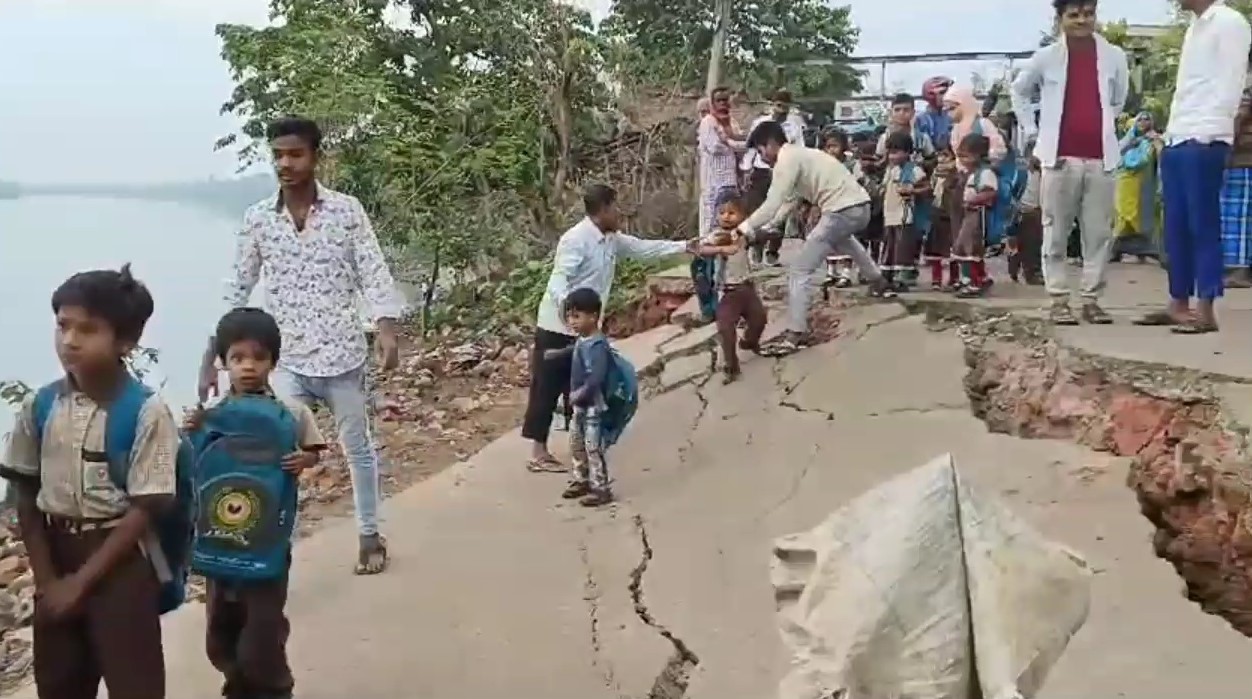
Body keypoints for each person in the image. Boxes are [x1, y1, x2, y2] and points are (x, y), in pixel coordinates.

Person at [205, 116, 404, 575]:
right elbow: (237, 286)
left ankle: (369, 535)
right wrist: (212, 356)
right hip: (289, 359)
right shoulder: (259, 219)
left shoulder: (346, 211)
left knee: (358, 447)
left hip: (344, 356)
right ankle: (270, 545)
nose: (285, 163)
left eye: (295, 154)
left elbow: (373, 270)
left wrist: (387, 328)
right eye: (277, 155)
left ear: (316, 157)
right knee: (279, 451)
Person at [1, 264, 178, 699]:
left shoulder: (145, 411)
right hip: (55, 553)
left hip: (120, 560)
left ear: (126, 342)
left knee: (135, 683)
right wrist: (47, 583)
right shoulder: (41, 406)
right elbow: (25, 494)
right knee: (60, 682)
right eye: (62, 325)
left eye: (88, 329)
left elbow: (145, 508)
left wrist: (79, 584)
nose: (69, 340)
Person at [185, 307, 325, 699]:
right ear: (224, 363)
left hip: (267, 541)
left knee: (262, 630)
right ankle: (239, 684)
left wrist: (305, 460)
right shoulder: (212, 414)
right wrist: (191, 430)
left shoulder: (291, 413)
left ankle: (276, 688)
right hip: (219, 540)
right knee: (219, 633)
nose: (248, 367)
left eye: (258, 358)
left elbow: (314, 449)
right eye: (238, 358)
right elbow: (190, 461)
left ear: (273, 362)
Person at [522, 184, 694, 472]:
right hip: (558, 324)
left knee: (582, 387)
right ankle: (538, 453)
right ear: (602, 210)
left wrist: (687, 246)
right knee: (546, 386)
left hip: (586, 327)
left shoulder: (611, 239)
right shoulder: (575, 240)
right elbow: (558, 281)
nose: (621, 213)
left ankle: (583, 444)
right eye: (616, 207)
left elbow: (644, 249)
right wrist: (571, 313)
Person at [1135, 0, 1251, 333]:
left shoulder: (1230, 22)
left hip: (1205, 135)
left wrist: (1209, 132)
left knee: (1203, 224)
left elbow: (1231, 82)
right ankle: (1178, 303)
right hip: (1179, 134)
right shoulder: (1194, 27)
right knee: (1176, 226)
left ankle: (1206, 309)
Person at [1011, 0, 1128, 326]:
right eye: (1073, 15)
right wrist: (1032, 132)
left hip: (1101, 158)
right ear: (1060, 18)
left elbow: (1119, 99)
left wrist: (1099, 124)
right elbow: (1019, 92)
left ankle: (1091, 299)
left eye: (1088, 13)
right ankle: (1058, 299)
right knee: (1056, 231)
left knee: (1098, 233)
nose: (1082, 20)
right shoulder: (1047, 57)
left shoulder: (1114, 56)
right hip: (1059, 157)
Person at [738, 120, 894, 355]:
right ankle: (879, 282)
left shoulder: (786, 160)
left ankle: (795, 333)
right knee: (845, 241)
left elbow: (772, 203)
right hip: (859, 207)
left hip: (841, 210)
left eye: (760, 151)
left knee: (800, 270)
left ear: (770, 144)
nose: (763, 158)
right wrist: (769, 227)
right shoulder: (802, 155)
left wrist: (743, 229)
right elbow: (788, 202)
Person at [546, 287, 616, 507]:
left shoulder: (598, 345)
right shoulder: (583, 340)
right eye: (569, 316)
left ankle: (600, 487)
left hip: (593, 403)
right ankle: (581, 478)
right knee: (576, 442)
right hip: (580, 404)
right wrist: (556, 355)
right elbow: (574, 350)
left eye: (576, 316)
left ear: (593, 317)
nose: (571, 321)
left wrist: (578, 394)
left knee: (592, 445)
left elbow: (596, 377)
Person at [696, 193, 767, 383]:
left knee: (759, 319)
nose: (726, 216)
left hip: (747, 288)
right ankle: (731, 364)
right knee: (726, 328)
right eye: (722, 212)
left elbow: (759, 235)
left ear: (743, 216)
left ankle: (749, 342)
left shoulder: (743, 234)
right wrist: (719, 249)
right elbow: (701, 248)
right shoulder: (716, 235)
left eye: (732, 213)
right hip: (727, 292)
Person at [945, 85, 1007, 292]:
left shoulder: (983, 124)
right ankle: (967, 277)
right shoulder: (955, 129)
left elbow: (998, 150)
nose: (949, 113)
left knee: (972, 238)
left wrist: (982, 167)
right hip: (960, 182)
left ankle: (975, 278)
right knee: (959, 237)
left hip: (978, 185)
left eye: (953, 108)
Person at [741, 89, 804, 267]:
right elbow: (751, 148)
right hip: (761, 170)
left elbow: (799, 147)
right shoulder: (761, 123)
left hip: (783, 170)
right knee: (758, 208)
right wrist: (747, 169)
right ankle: (756, 249)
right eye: (778, 105)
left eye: (785, 107)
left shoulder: (794, 125)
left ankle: (773, 251)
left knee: (780, 211)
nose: (781, 110)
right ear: (772, 105)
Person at [880, 131, 930, 290]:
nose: (892, 157)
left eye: (896, 152)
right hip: (890, 213)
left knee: (903, 245)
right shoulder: (890, 170)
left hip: (905, 214)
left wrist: (912, 191)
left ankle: (904, 276)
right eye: (890, 153)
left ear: (908, 152)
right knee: (890, 244)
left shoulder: (914, 170)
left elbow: (927, 188)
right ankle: (889, 273)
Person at [1113, 112, 1164, 264]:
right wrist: (1132, 141)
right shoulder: (1129, 138)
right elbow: (1116, 153)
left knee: (1142, 217)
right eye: (1140, 119)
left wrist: (1155, 142)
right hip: (1124, 180)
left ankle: (1142, 250)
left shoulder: (1155, 139)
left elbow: (1160, 158)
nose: (1143, 122)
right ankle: (1119, 249)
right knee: (1123, 215)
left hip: (1144, 182)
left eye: (1147, 119)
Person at [953, 134, 999, 298]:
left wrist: (974, 200)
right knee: (962, 247)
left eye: (966, 156)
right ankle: (974, 277)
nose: (963, 160)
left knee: (972, 247)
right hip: (968, 215)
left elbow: (991, 192)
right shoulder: (969, 173)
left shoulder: (986, 174)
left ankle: (976, 281)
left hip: (978, 216)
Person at [698, 86, 746, 235]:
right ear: (713, 103)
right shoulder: (708, 122)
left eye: (725, 100)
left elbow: (744, 145)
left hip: (731, 181)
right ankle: (707, 255)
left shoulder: (732, 122)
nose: (723, 104)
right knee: (711, 221)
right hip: (712, 182)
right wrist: (731, 143)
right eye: (719, 100)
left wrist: (730, 141)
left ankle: (726, 255)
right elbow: (714, 147)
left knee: (731, 222)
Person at [1221, 74, 1252, 287]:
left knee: (1237, 217)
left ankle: (1238, 270)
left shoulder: (1244, 83)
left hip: (1242, 158)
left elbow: (1238, 118)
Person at [924, 148, 961, 290]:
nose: (942, 158)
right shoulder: (935, 172)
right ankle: (936, 279)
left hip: (951, 214)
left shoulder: (956, 173)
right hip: (936, 212)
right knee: (935, 248)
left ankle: (954, 278)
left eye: (946, 155)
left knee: (953, 248)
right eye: (940, 154)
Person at [1010, 155, 1046, 285]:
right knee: (1026, 244)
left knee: (1036, 244)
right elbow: (1013, 191)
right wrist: (1016, 207)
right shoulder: (1022, 173)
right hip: (1024, 212)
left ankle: (1033, 272)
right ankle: (1026, 272)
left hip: (1039, 211)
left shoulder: (1045, 174)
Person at [876, 93, 935, 162]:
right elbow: (878, 161)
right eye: (897, 110)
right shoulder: (884, 138)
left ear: (913, 112)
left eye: (906, 110)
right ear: (891, 112)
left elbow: (932, 160)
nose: (901, 113)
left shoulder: (922, 139)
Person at [915, 76, 955, 152]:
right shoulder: (921, 119)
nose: (946, 96)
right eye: (942, 93)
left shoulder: (952, 116)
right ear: (930, 94)